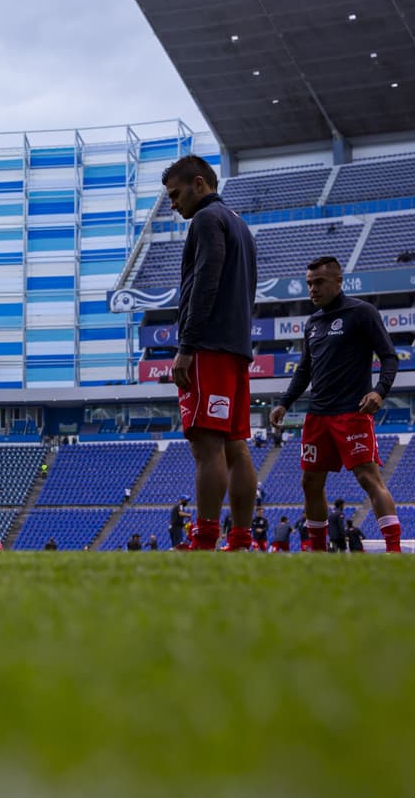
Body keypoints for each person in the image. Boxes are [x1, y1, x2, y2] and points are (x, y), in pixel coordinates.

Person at [269, 256, 402, 553]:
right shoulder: (313, 323)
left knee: (369, 478)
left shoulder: (362, 312)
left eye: (319, 283)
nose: (312, 289)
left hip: (351, 413)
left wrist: (379, 391)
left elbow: (389, 357)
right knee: (310, 482)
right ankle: (316, 552)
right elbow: (305, 369)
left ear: (338, 281)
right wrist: (284, 402)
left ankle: (394, 550)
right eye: (309, 284)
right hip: (317, 416)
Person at [165, 155, 258, 550]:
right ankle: (239, 538)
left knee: (207, 446)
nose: (172, 204)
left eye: (175, 194)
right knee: (235, 446)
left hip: (209, 349)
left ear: (199, 184)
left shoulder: (206, 220)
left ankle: (203, 539)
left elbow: (206, 281)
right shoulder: (239, 224)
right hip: (236, 348)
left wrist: (187, 346)